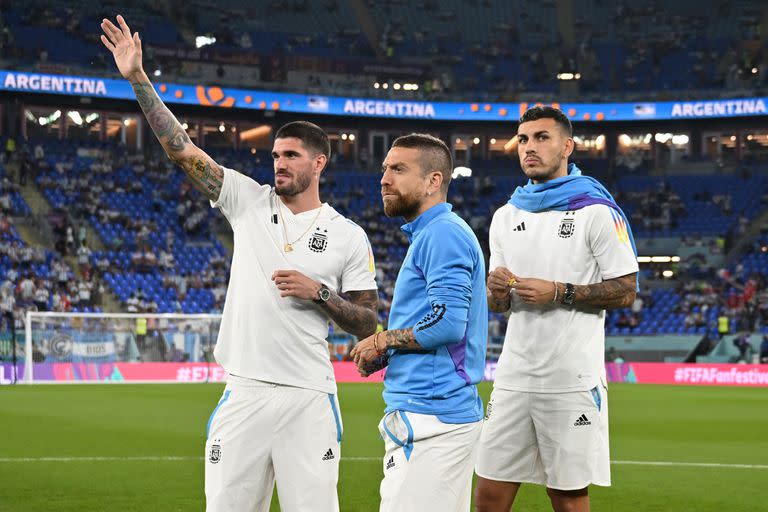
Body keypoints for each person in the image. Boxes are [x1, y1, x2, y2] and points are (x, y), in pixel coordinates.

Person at [101, 16, 379, 512]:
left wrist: (319, 293)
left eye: (291, 155)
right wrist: (138, 78)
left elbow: (366, 322)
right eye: (275, 155)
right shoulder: (247, 200)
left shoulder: (349, 235)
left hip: (309, 397)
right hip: (244, 392)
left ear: (319, 164)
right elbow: (179, 149)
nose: (279, 163)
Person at [474, 106, 639, 512]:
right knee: (489, 496)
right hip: (514, 375)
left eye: (542, 137)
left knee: (567, 497)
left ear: (567, 146)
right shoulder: (505, 215)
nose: (529, 147)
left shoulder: (597, 211)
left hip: (570, 378)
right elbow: (500, 306)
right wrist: (494, 290)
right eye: (524, 139)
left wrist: (560, 292)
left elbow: (626, 290)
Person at [351, 134, 488, 512]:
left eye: (398, 169)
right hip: (431, 414)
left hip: (433, 415)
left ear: (433, 181)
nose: (384, 179)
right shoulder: (430, 234)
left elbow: (447, 324)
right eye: (384, 170)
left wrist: (382, 341)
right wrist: (389, 350)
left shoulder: (442, 234)